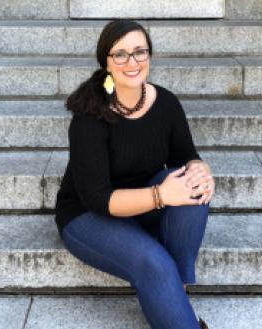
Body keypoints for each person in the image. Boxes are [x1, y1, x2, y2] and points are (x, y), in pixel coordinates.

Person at [54, 19, 215, 329]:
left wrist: (202, 171)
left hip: (143, 207)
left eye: (140, 52)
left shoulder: (165, 103)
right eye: (121, 54)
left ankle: (175, 292)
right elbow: (98, 198)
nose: (132, 62)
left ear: (150, 56)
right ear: (106, 63)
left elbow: (186, 157)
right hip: (88, 215)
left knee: (192, 184)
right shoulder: (89, 116)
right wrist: (160, 195)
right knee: (155, 264)